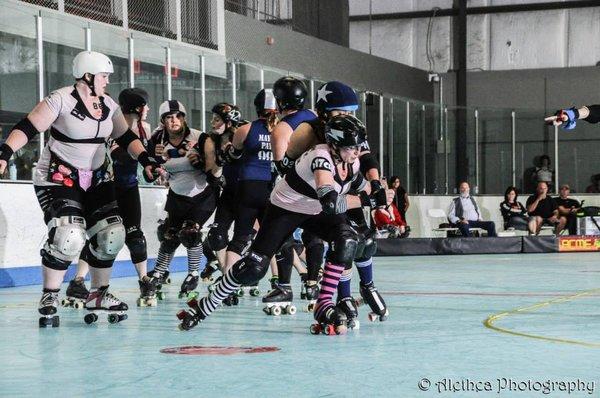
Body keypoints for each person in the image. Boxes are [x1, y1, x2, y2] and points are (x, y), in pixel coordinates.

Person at [177, 114, 386, 334]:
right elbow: (332, 203)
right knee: (253, 268)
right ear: (334, 144)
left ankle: (324, 304)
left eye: (357, 147)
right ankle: (206, 305)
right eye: (351, 147)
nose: (356, 152)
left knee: (347, 240)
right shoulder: (321, 157)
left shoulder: (350, 162)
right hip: (286, 209)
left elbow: (361, 186)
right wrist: (369, 199)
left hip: (313, 209)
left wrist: (379, 190)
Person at [0, 50, 161, 327]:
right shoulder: (60, 100)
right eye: (103, 76)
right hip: (58, 177)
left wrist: (146, 159)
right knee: (69, 234)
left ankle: (98, 294)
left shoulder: (108, 105)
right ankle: (50, 295)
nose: (107, 81)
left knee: (112, 233)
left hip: (97, 177)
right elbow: (27, 128)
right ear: (87, 76)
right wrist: (4, 153)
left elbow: (125, 136)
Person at [280, 81, 392, 326]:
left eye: (350, 112)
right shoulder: (308, 131)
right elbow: (285, 166)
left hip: (350, 184)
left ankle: (367, 286)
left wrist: (374, 185)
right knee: (344, 243)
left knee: (366, 238)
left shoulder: (350, 127)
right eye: (340, 112)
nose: (347, 117)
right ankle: (342, 297)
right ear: (324, 111)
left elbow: (366, 157)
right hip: (323, 194)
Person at [146, 100, 223, 300]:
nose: (174, 121)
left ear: (184, 118)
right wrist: (155, 167)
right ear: (163, 121)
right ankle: (159, 273)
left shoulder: (200, 137)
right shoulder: (156, 141)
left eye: (178, 116)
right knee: (169, 235)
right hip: (177, 194)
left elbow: (214, 172)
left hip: (203, 193)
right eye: (169, 117)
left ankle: (193, 274)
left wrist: (202, 163)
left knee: (190, 233)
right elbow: (149, 172)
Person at [265, 76, 318, 307]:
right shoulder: (315, 117)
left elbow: (282, 168)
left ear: (279, 102)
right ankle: (313, 284)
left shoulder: (281, 129)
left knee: (282, 235)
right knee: (314, 236)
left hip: (295, 191)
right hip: (318, 184)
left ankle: (284, 287)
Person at [220, 89, 278, 297]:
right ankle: (280, 284)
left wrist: (228, 150)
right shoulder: (283, 130)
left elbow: (233, 157)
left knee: (240, 237)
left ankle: (227, 286)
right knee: (274, 237)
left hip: (247, 187)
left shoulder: (245, 129)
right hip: (270, 189)